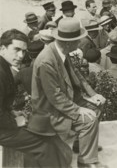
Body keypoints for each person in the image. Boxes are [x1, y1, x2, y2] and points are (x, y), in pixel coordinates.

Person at [31, 17, 107, 168]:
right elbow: (55, 97)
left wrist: (93, 94)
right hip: (49, 110)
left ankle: (81, 144)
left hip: (64, 100)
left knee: (96, 107)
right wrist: (78, 109)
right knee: (89, 119)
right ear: (68, 43)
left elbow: (76, 74)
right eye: (78, 40)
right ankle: (86, 162)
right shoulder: (46, 61)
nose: (80, 43)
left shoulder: (60, 51)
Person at [0, 29, 72, 168]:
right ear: (2, 48)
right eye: (16, 49)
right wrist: (15, 121)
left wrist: (13, 113)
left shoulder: (4, 66)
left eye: (23, 51)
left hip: (4, 124)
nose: (21, 55)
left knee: (46, 131)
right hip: (2, 130)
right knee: (44, 145)